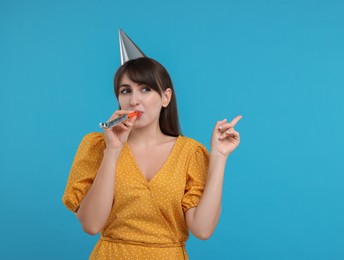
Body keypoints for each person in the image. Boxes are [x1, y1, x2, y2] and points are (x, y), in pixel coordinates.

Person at [62, 57, 242, 259]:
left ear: (166, 97)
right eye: (125, 90)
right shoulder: (97, 145)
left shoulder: (190, 153)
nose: (134, 100)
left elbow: (202, 230)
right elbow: (91, 225)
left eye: (145, 89)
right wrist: (113, 150)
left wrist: (218, 156)